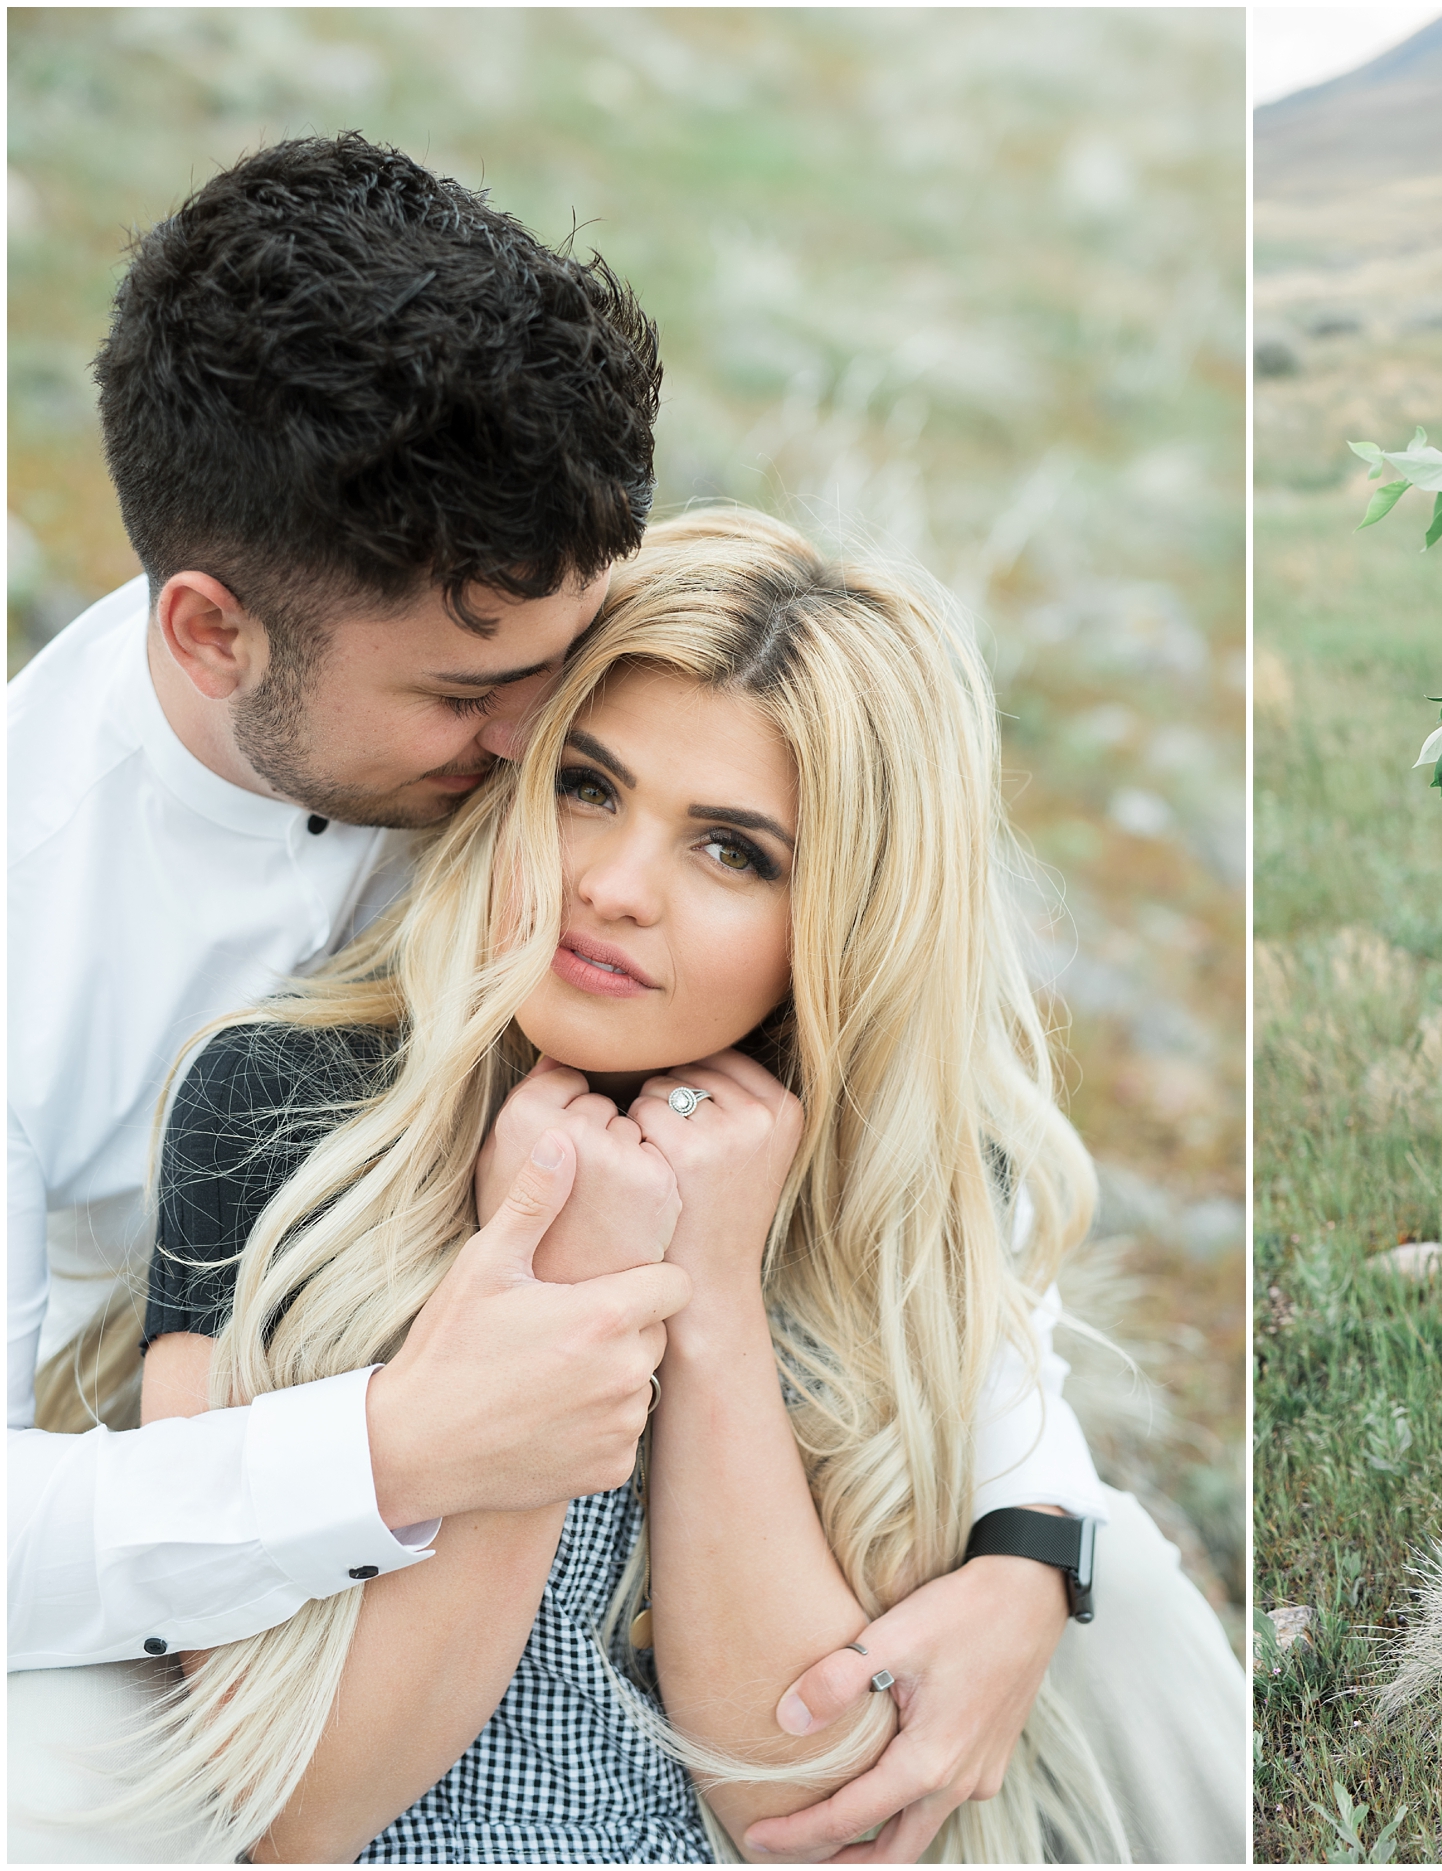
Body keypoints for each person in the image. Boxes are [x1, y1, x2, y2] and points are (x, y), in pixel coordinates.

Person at [7, 135, 1238, 1864]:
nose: (544, 791)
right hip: (177, 1547)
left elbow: (910, 1206)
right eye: (510, 725)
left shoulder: (535, 692)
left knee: (1151, 1654)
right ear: (215, 636)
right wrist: (431, 1436)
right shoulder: (75, 939)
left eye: (725, 845)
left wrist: (1034, 1532)